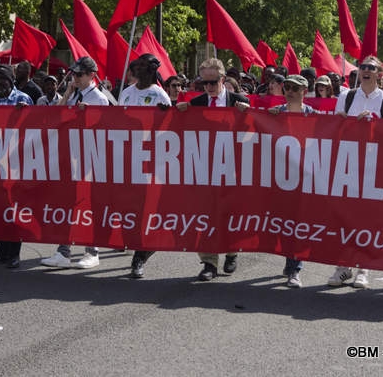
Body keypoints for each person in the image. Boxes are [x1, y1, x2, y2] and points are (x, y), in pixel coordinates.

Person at [328, 55, 383, 289]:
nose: (366, 70)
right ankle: (342, 267)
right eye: (363, 67)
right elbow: (336, 130)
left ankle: (363, 268)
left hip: (374, 166)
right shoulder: (346, 96)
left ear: (380, 74)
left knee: (368, 218)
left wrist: (375, 127)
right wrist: (352, 125)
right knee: (345, 217)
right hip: (348, 164)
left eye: (371, 68)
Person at [177, 58, 249, 281]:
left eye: (213, 82)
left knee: (231, 213)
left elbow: (255, 133)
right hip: (204, 169)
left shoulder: (239, 102)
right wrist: (177, 112)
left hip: (232, 169)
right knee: (205, 214)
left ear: (223, 79)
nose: (208, 87)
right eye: (203, 83)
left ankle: (232, 251)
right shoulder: (196, 104)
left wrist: (249, 114)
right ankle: (209, 262)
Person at [40, 57, 110, 270]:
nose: (75, 78)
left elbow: (105, 129)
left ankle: (92, 251)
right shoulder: (72, 94)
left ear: (91, 75)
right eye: (73, 74)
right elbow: (56, 115)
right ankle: (63, 251)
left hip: (89, 157)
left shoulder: (99, 98)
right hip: (70, 155)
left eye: (79, 74)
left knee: (88, 204)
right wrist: (68, 93)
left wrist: (88, 114)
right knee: (67, 203)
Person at [118, 54, 172, 278]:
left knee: (145, 208)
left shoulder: (159, 95)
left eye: (142, 67)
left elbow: (169, 129)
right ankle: (137, 243)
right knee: (128, 206)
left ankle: (140, 256)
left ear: (151, 71)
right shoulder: (126, 93)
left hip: (150, 161)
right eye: (137, 66)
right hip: (126, 159)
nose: (137, 70)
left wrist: (163, 116)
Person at [0, 63, 33, 269]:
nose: (0, 83)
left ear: (11, 80)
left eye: (3, 79)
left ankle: (14, 253)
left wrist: (24, 113)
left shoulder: (23, 99)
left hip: (14, 163)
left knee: (13, 210)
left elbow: (33, 127)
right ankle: (0, 251)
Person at [268, 74, 317, 287]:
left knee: (298, 222)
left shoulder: (314, 116)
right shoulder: (275, 113)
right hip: (279, 178)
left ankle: (295, 269)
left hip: (303, 178)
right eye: (287, 87)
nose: (289, 91)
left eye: (295, 89)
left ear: (304, 92)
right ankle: (290, 261)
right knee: (283, 223)